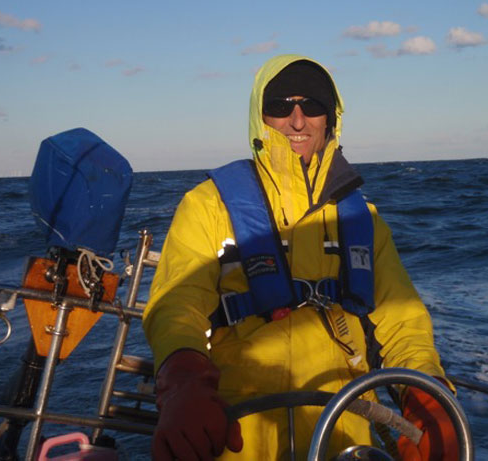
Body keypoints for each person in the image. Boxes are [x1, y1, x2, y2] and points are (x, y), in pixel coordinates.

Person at [143, 54, 459, 460]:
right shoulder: (208, 205)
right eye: (280, 106)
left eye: (312, 106)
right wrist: (183, 381)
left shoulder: (364, 221)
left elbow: (403, 323)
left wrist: (426, 398)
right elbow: (176, 304)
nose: (298, 120)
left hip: (345, 432)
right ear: (261, 117)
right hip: (238, 434)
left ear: (330, 118)